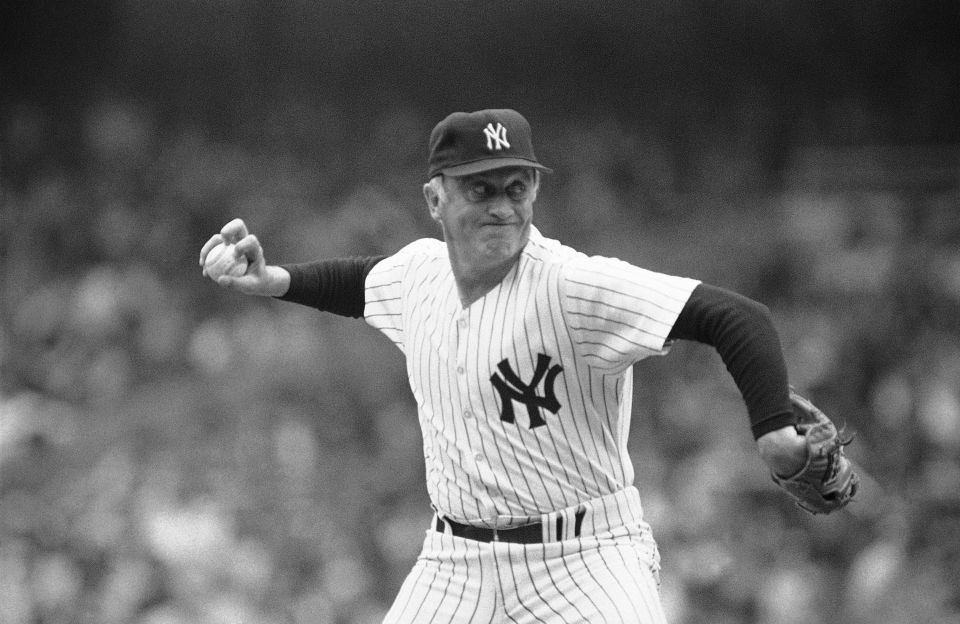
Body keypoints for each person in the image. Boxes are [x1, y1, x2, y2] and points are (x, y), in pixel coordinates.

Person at [200, 109, 817, 623]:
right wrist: (276, 280)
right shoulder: (418, 273)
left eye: (515, 187)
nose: (502, 207)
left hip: (585, 559)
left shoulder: (572, 286)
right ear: (434, 198)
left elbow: (738, 317)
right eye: (480, 189)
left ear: (535, 191)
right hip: (454, 561)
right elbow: (357, 283)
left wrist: (772, 430)